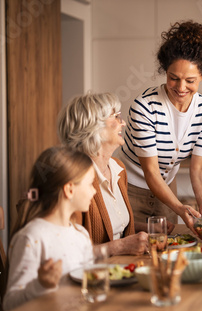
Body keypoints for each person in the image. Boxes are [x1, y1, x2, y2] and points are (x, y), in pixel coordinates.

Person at [115, 20, 202, 234]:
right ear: (165, 71)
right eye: (174, 78)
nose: (181, 88)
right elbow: (151, 171)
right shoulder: (144, 106)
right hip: (130, 189)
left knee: (169, 249)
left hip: (166, 189)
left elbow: (199, 167)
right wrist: (180, 207)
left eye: (190, 80)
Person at [58, 92, 153, 256]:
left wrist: (147, 228)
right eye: (116, 116)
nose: (122, 123)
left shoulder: (118, 169)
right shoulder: (74, 180)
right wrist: (119, 248)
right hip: (89, 277)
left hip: (121, 271)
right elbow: (64, 252)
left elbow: (113, 225)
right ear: (94, 127)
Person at [4, 147, 95, 311]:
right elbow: (10, 305)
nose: (94, 191)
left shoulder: (81, 235)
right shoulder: (32, 238)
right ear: (69, 189)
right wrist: (40, 285)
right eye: (90, 184)